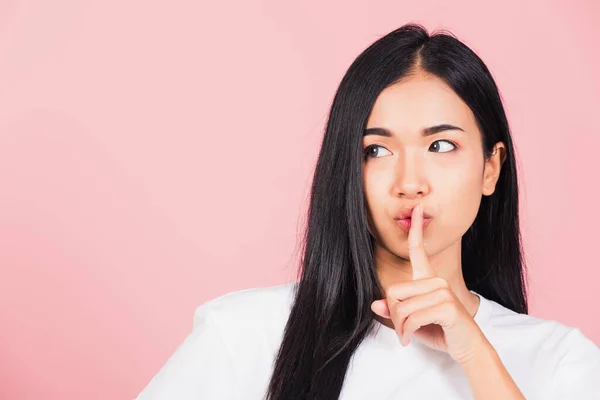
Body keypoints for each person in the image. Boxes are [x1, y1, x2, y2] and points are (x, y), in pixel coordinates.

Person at [135, 23, 600, 399]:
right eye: (376, 151)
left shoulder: (558, 359)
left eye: (441, 145)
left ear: (490, 168)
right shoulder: (245, 334)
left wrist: (477, 356)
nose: (409, 183)